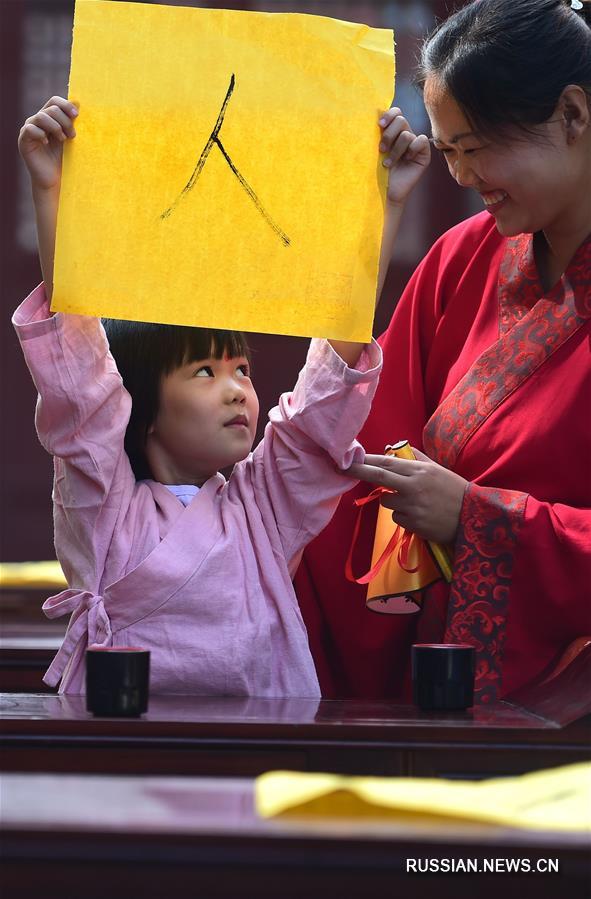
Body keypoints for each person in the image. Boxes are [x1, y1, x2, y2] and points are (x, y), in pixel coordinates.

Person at [14, 90, 428, 695]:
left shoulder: (263, 506)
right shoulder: (106, 508)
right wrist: (49, 191)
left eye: (241, 369)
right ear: (140, 409)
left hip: (262, 754)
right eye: (204, 372)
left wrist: (383, 204)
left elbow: (319, 409)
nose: (238, 390)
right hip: (124, 755)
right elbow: (80, 383)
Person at [295, 0, 591, 704]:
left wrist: (475, 517)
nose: (460, 175)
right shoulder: (462, 259)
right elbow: (359, 448)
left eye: (478, 146)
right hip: (437, 681)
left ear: (573, 116)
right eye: (448, 150)